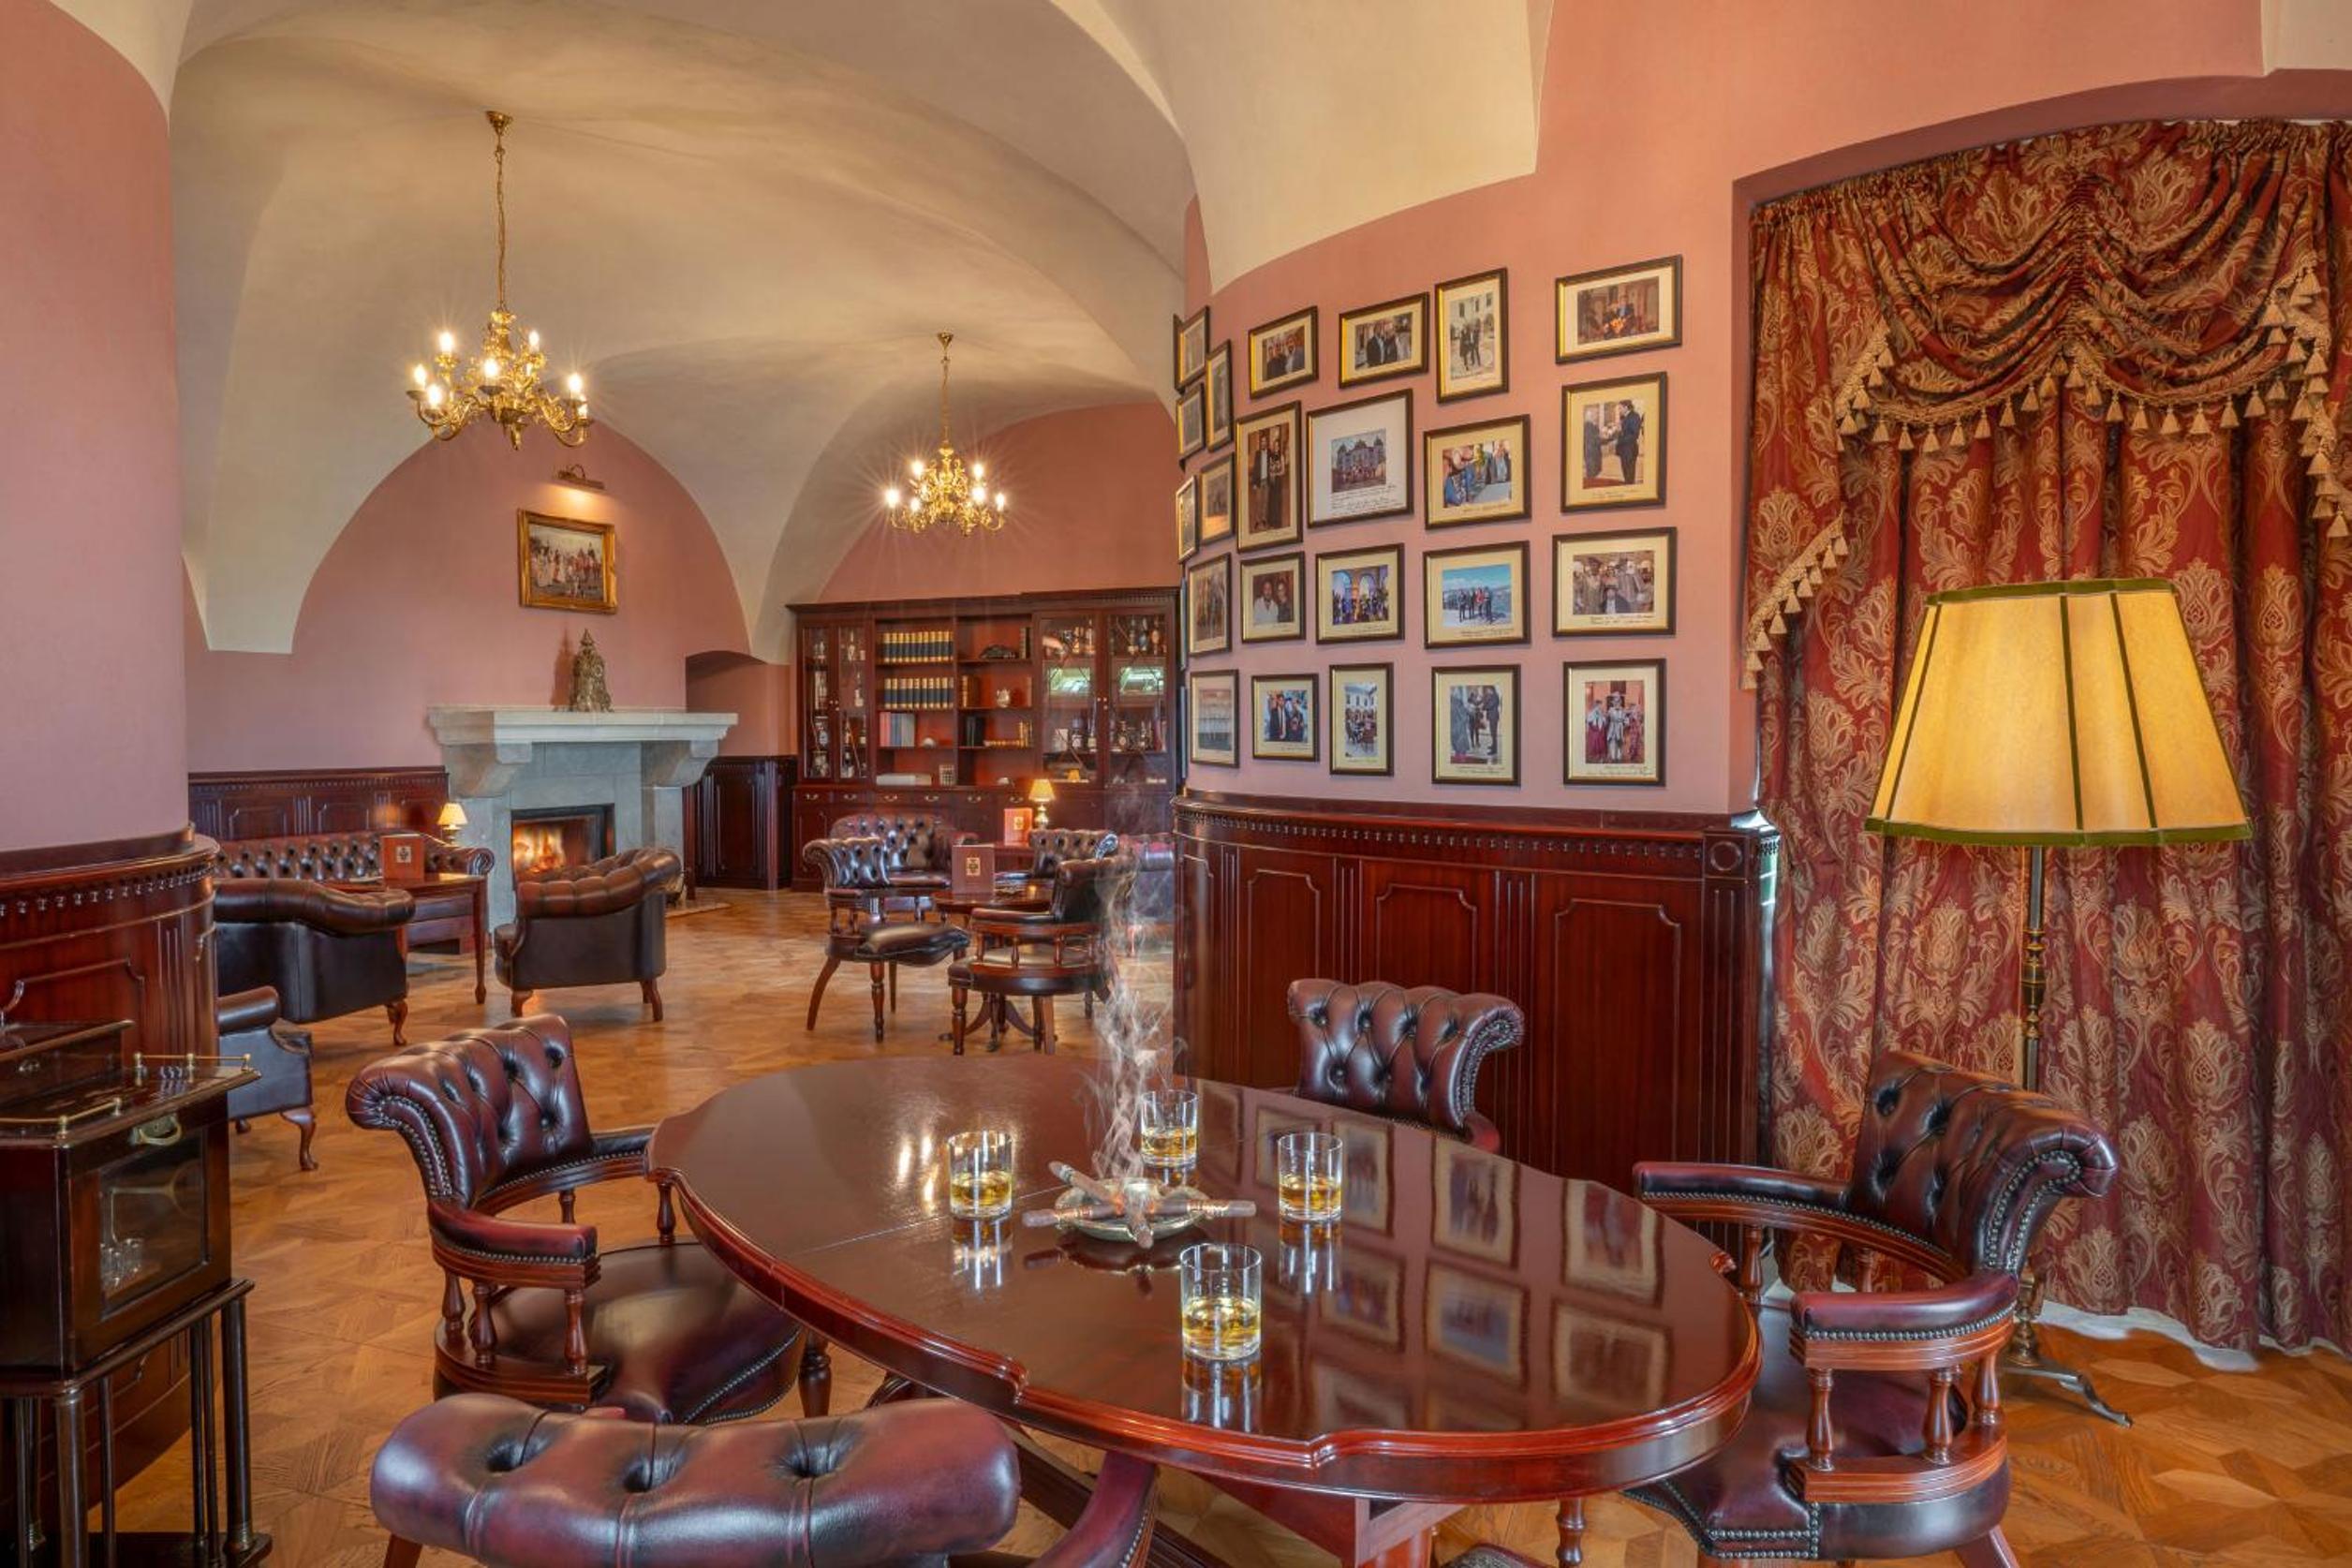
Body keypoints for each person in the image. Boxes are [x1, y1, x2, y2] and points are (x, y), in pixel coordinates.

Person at [1613, 399, 1645, 488]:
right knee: (1625, 471)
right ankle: (1627, 486)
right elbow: (1623, 432)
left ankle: (1629, 489)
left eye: (1620, 408)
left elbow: (1634, 435)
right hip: (1624, 450)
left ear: (1626, 407)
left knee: (1629, 473)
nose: (1619, 411)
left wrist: (1620, 439)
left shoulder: (1635, 416)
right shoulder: (1623, 417)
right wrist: (1618, 430)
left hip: (1630, 450)